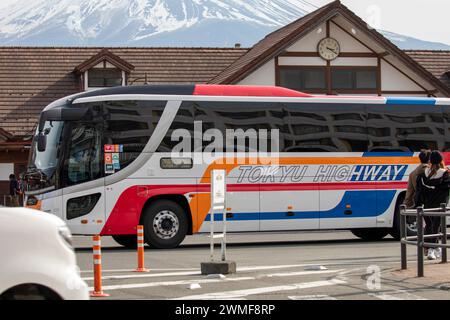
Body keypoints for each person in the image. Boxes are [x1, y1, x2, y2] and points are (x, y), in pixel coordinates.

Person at [415, 151, 450, 260]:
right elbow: (445, 191)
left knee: (429, 227)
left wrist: (418, 204)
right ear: (440, 161)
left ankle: (433, 248)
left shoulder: (422, 175)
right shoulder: (444, 174)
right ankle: (432, 249)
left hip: (426, 205)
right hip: (439, 206)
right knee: (436, 227)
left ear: (430, 161)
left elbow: (419, 192)